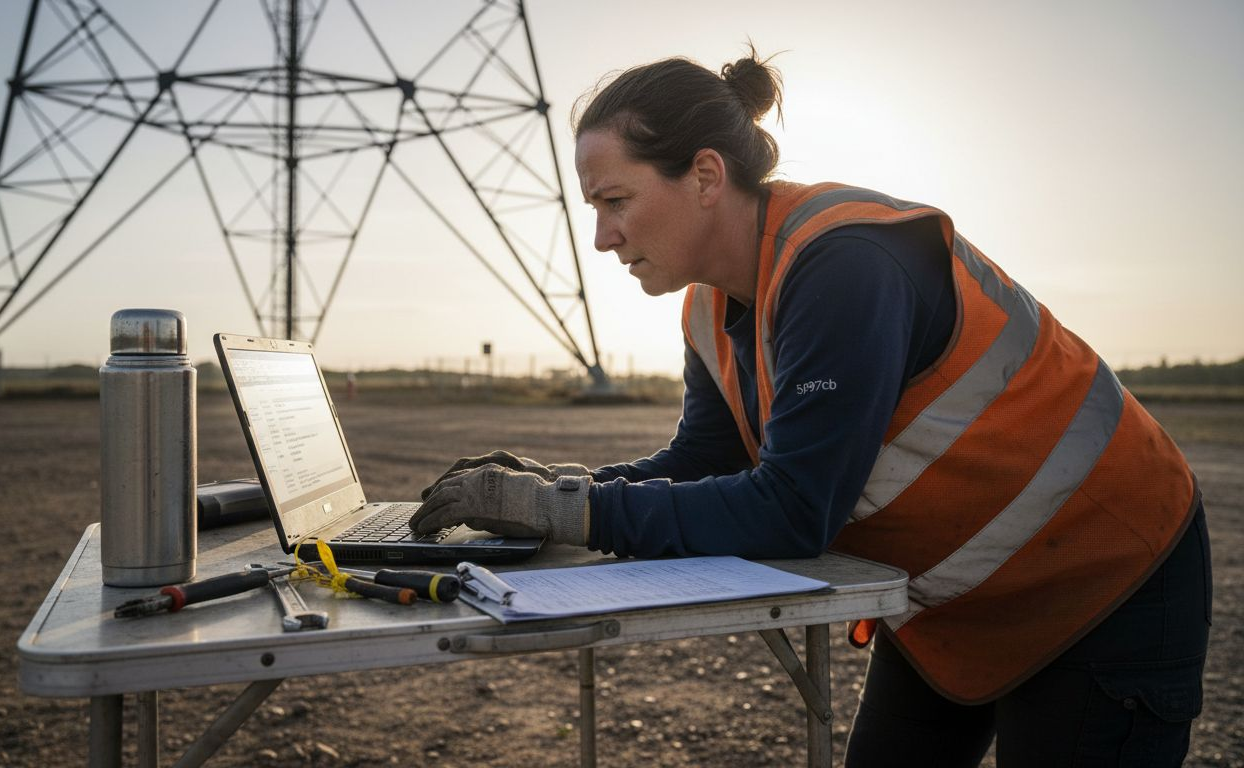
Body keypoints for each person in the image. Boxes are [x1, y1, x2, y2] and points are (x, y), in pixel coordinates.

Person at [409, 51, 1210, 766]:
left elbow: (793, 509)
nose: (601, 238)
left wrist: (566, 511)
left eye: (613, 200)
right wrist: (555, 493)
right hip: (955, 606)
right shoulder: (706, 306)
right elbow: (702, 463)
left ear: (705, 176)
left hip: (1104, 581)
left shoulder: (844, 265)